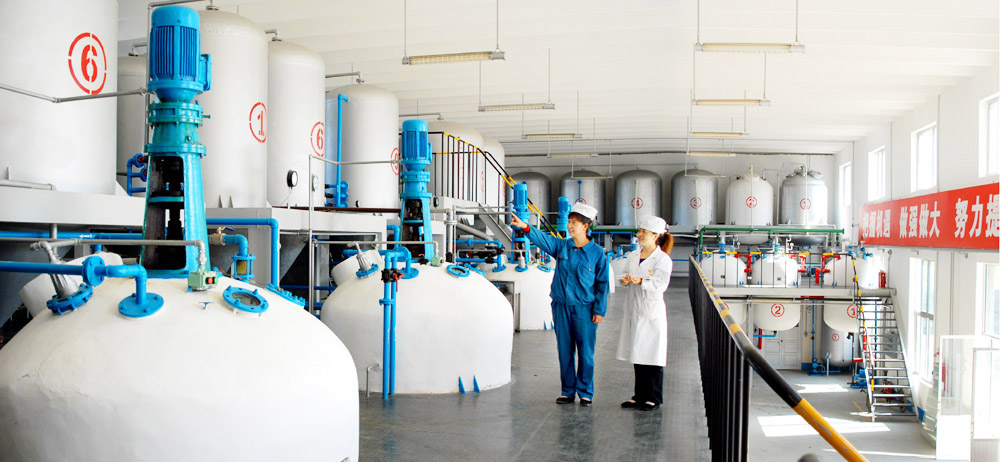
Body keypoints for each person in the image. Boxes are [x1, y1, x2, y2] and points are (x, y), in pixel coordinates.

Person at [509, 202, 610, 406]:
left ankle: (585, 392)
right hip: (561, 306)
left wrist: (599, 310)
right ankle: (567, 391)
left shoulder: (597, 253)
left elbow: (603, 284)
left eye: (574, 223)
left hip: (584, 308)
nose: (569, 226)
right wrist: (525, 227)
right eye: (570, 222)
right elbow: (544, 239)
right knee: (565, 351)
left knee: (586, 353)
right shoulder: (563, 246)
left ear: (585, 226)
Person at [617, 215, 673, 411]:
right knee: (638, 353)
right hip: (635, 307)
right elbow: (624, 274)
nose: (640, 235)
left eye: (644, 232)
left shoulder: (662, 259)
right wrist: (625, 280)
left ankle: (653, 397)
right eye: (639, 231)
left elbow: (661, 284)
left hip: (651, 311)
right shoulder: (633, 256)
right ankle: (639, 396)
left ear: (655, 236)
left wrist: (641, 281)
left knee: (653, 355)